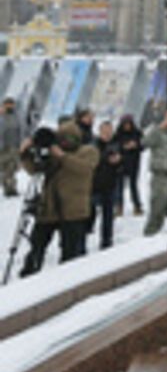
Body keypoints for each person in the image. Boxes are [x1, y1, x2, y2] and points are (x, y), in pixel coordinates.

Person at [18, 121, 99, 275]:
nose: (64, 143)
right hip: (48, 209)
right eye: (61, 139)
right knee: (36, 247)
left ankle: (66, 281)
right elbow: (35, 170)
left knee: (70, 253)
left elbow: (85, 169)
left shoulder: (88, 151)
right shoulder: (52, 153)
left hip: (73, 211)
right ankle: (28, 276)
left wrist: (62, 156)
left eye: (68, 139)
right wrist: (25, 154)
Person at [90, 120, 123, 249]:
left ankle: (106, 240)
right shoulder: (94, 144)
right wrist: (106, 159)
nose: (107, 134)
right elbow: (92, 160)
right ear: (100, 131)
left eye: (110, 131)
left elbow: (124, 163)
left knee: (108, 216)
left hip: (110, 184)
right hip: (94, 184)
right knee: (89, 213)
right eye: (105, 131)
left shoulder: (116, 145)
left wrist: (119, 161)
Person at [113, 114, 144, 216]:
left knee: (133, 185)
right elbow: (113, 147)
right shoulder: (117, 135)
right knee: (119, 186)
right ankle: (119, 206)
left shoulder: (137, 133)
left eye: (128, 124)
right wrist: (122, 147)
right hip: (121, 163)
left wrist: (135, 145)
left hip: (133, 163)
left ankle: (137, 206)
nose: (127, 126)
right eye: (125, 124)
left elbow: (143, 145)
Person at [0, 96, 21, 196]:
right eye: (7, 104)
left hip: (13, 147)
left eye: (11, 104)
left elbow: (20, 130)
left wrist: (20, 144)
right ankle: (6, 187)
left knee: (11, 168)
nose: (10, 106)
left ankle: (11, 188)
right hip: (2, 148)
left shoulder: (16, 116)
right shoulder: (1, 116)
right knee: (4, 169)